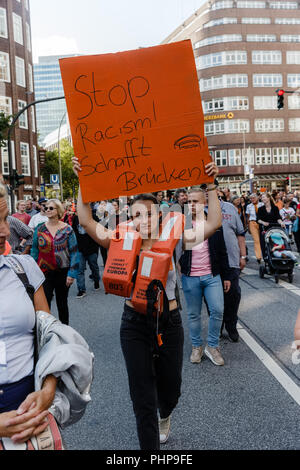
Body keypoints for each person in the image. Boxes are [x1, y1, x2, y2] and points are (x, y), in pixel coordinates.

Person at [72, 156, 221, 450]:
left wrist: (211, 185)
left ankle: (165, 413)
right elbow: (86, 220)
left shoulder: (177, 237)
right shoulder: (120, 238)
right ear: (130, 218)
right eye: (137, 215)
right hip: (134, 324)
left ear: (160, 217)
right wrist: (83, 182)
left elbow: (214, 223)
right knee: (141, 398)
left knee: (171, 390)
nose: (144, 220)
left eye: (150, 214)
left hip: (169, 321)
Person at [0, 183, 57, 444]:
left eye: (5, 219)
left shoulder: (24, 268)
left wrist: (47, 390)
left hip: (28, 410)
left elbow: (50, 339)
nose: (5, 231)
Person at [179, 188, 231, 366]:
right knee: (194, 315)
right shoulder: (182, 223)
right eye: (189, 202)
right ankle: (196, 346)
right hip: (190, 276)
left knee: (217, 310)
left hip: (212, 275)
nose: (191, 205)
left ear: (204, 203)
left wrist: (227, 276)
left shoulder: (214, 223)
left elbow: (222, 251)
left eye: (195, 201)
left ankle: (213, 346)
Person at [30, 199, 79, 325]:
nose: (47, 210)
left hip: (63, 272)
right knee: (44, 304)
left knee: (62, 303)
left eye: (51, 208)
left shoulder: (67, 229)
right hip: (44, 272)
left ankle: (65, 330)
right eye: (46, 208)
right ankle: (46, 331)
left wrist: (71, 274)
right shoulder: (40, 229)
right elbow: (35, 250)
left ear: (58, 211)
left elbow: (74, 252)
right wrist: (33, 271)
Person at [219, 196, 247, 342]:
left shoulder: (229, 208)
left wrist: (243, 256)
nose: (205, 191)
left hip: (231, 260)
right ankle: (217, 325)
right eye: (202, 188)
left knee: (233, 294)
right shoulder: (194, 208)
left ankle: (231, 325)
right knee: (213, 298)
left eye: (208, 187)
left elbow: (240, 234)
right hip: (209, 263)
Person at [73, 210, 101, 298]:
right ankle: (81, 290)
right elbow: (74, 232)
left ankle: (96, 281)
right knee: (79, 270)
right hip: (80, 249)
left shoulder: (94, 217)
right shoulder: (76, 218)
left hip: (92, 248)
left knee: (94, 267)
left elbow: (99, 230)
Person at [257, 193, 285, 258]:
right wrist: (263, 222)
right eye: (262, 197)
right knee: (264, 243)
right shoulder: (260, 209)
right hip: (264, 228)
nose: (262, 198)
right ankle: (265, 256)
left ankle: (278, 253)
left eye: (264, 197)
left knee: (277, 241)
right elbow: (258, 219)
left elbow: (278, 218)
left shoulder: (275, 208)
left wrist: (281, 223)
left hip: (274, 228)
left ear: (268, 198)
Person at [246, 193, 264, 263]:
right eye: (251, 198)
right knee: (256, 240)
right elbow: (248, 217)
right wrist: (248, 227)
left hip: (261, 223)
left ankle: (265, 254)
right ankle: (258, 257)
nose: (252, 199)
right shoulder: (249, 206)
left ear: (257, 198)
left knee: (263, 239)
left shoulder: (262, 204)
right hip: (252, 223)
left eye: (253, 198)